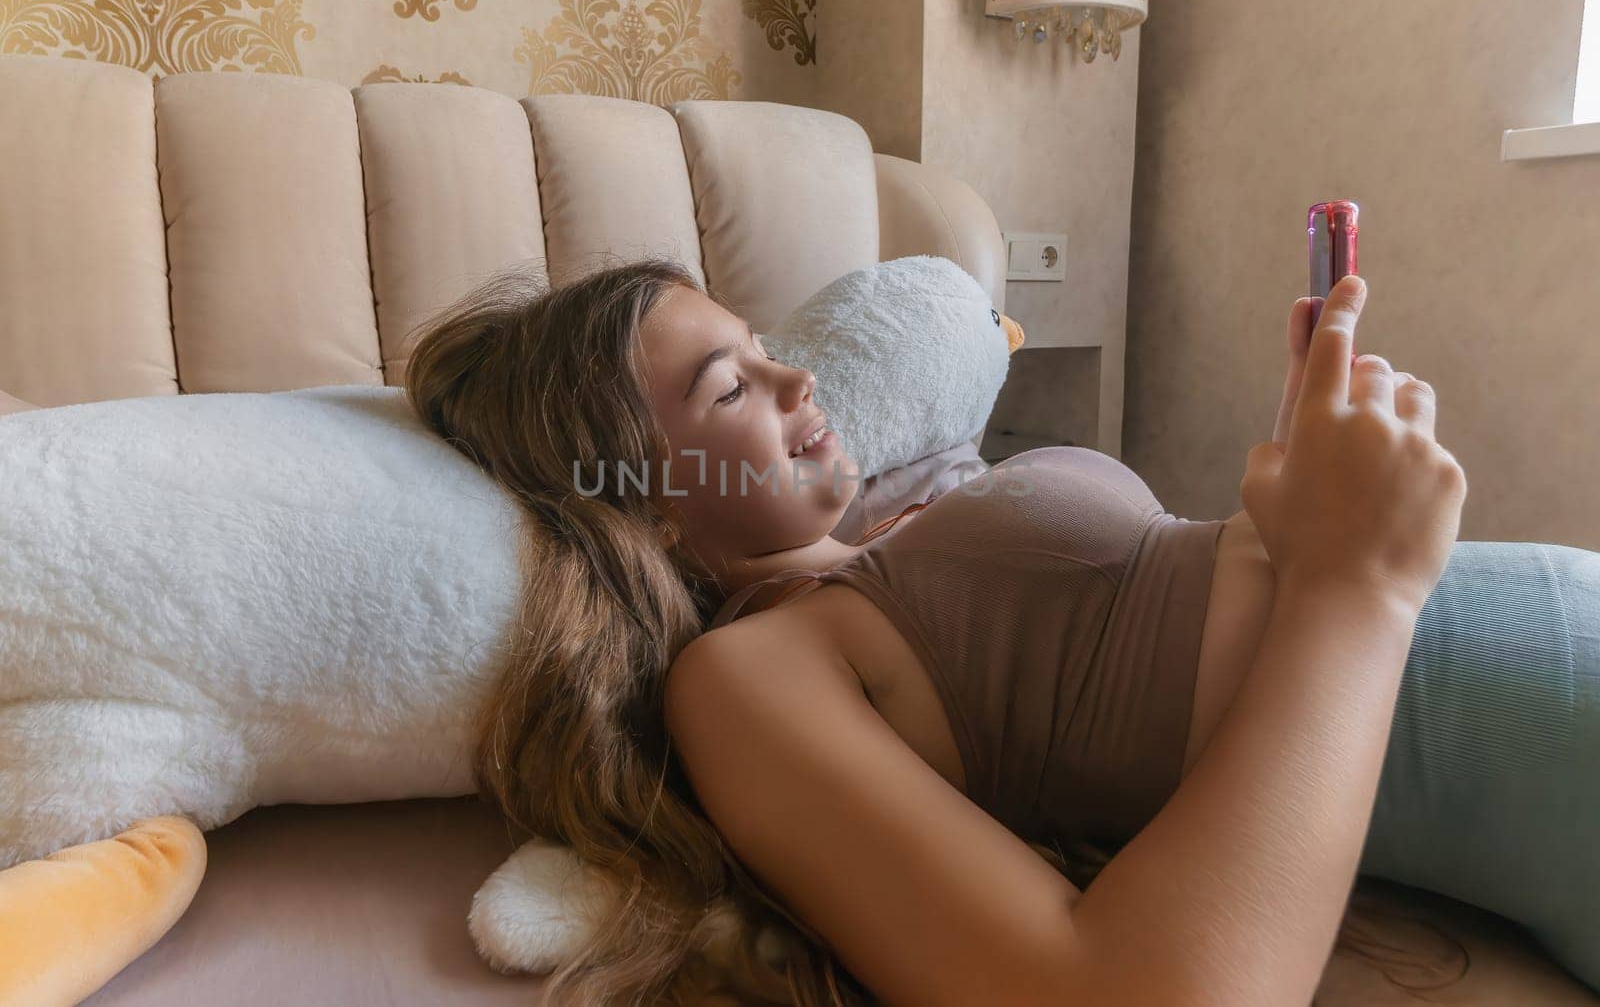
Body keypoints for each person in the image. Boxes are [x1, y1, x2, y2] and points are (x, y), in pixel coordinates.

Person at [403, 257, 1596, 1006]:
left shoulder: (898, 525)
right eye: (729, 388)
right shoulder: (745, 676)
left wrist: (1297, 510)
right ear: (648, 509)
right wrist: (1353, 590)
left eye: (768, 350)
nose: (796, 381)